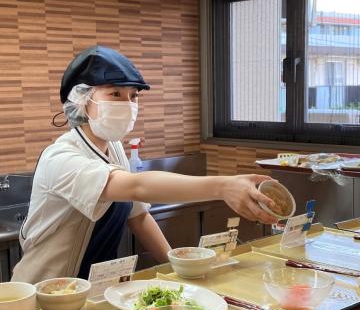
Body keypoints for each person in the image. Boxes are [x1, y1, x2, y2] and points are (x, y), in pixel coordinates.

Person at [12, 46, 277, 284]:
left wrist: (177, 268)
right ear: (82, 101)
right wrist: (223, 186)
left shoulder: (113, 147)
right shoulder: (60, 158)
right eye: (115, 94)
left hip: (94, 291)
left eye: (133, 96)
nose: (127, 105)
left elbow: (138, 216)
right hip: (47, 295)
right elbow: (136, 187)